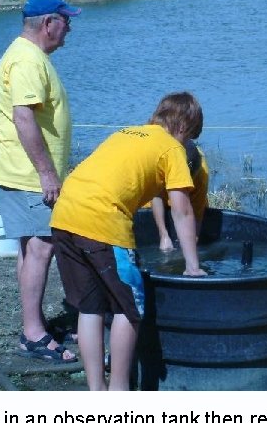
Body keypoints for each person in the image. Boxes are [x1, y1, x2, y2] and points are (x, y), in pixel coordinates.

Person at [50, 91, 208, 390]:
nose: (187, 143)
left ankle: (97, 391)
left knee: (90, 307)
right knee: (129, 308)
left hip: (64, 214)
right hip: (102, 220)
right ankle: (119, 391)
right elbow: (183, 209)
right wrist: (192, 265)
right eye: (190, 137)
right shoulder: (171, 148)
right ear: (184, 127)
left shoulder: (125, 133)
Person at [0, 0, 81, 364]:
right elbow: (24, 118)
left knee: (31, 250)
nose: (70, 28)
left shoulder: (27, 55)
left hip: (21, 171)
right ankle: (34, 335)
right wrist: (47, 174)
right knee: (42, 247)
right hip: (28, 175)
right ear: (48, 23)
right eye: (66, 20)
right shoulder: (27, 60)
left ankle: (34, 325)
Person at [149, 139, 210, 251]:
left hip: (190, 202)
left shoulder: (201, 177)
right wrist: (163, 235)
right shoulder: (162, 164)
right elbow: (156, 196)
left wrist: (190, 247)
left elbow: (196, 216)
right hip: (160, 195)